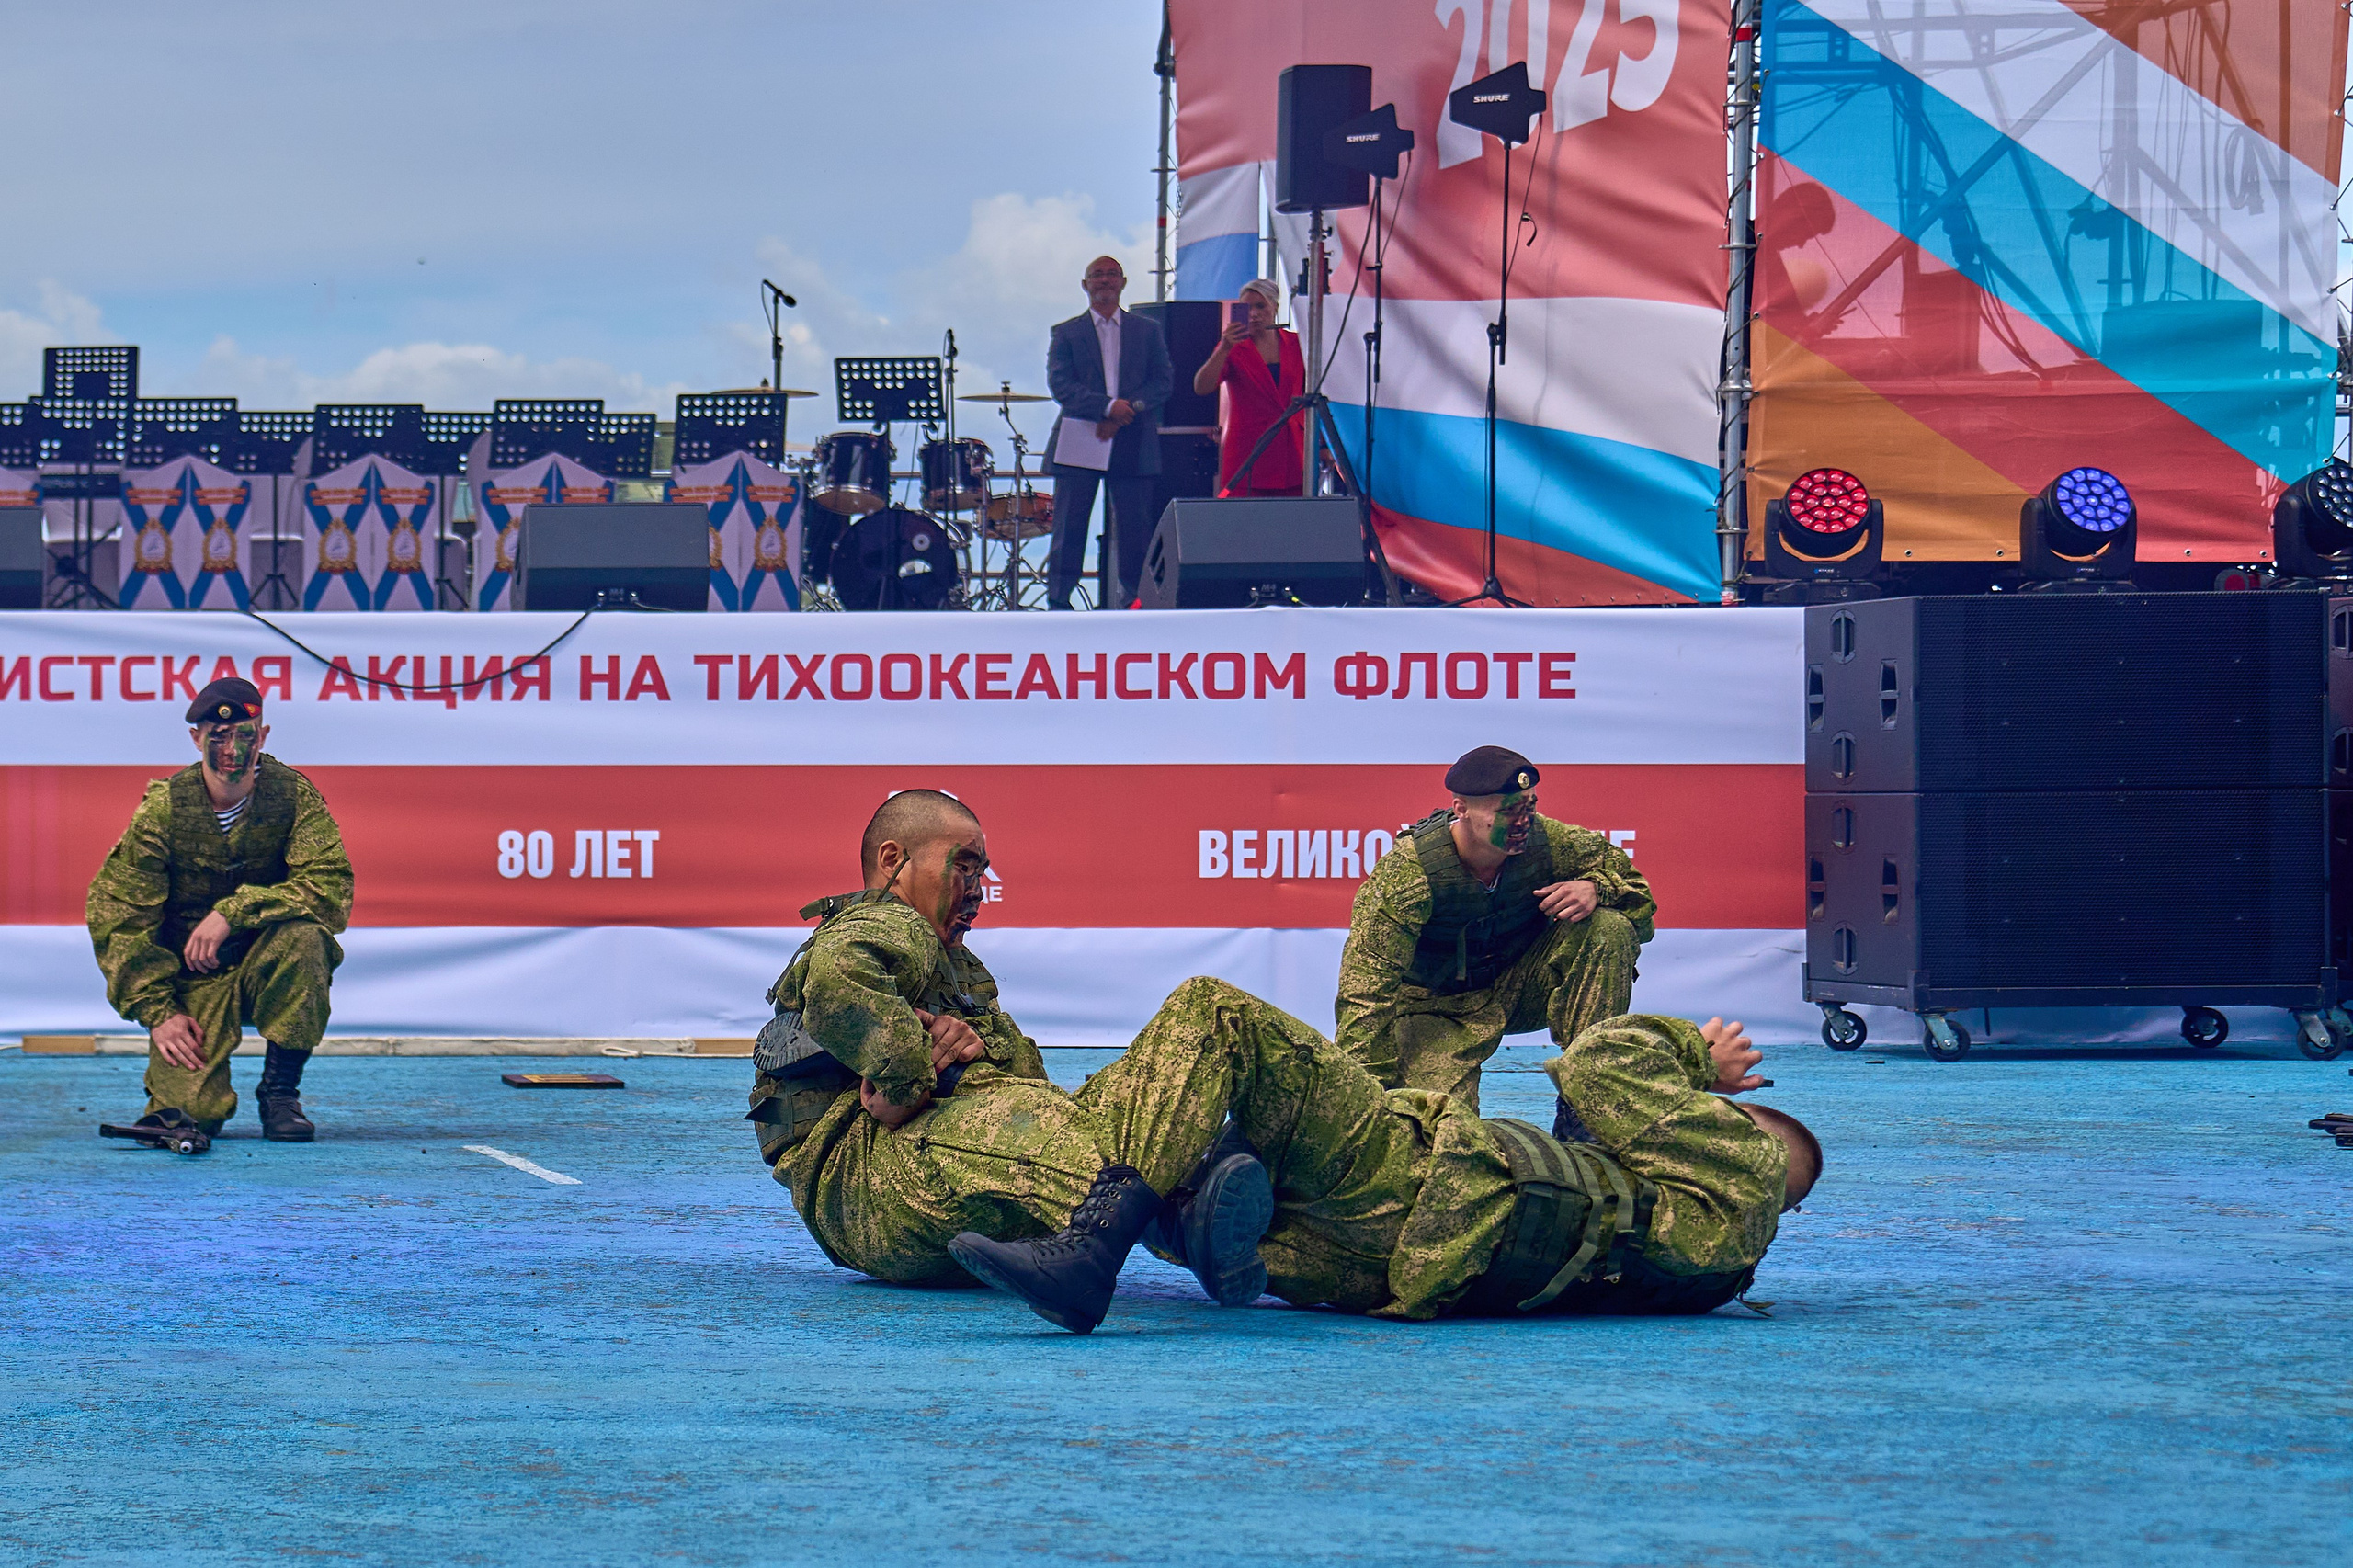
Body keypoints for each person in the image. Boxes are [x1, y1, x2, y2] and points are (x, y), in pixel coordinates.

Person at [952, 1004, 1819, 1333]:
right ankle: (1183, 1217)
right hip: (1390, 1277)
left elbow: (1598, 1063)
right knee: (1202, 1181)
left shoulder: (1741, 1169)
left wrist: (1693, 1057)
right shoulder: (1690, 1260)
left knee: (1215, 1019)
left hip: (1412, 1184)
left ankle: (1090, 1254)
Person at [752, 790, 1276, 1321]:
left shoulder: (958, 966)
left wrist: (973, 1050)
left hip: (955, 1211)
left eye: (981, 874)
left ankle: (1204, 1217)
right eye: (963, 866)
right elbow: (842, 981)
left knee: (1137, 1075)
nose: (977, 892)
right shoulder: (884, 922)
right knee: (1002, 1107)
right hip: (863, 1184)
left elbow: (1031, 1084)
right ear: (894, 860)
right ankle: (1181, 1211)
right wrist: (907, 1084)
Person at [85, 677, 354, 1142]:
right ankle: (189, 1082)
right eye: (219, 736)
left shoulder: (292, 796)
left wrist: (235, 910)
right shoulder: (164, 811)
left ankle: (280, 1094)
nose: (232, 748)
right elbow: (119, 914)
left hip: (263, 964)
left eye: (244, 734)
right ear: (196, 739)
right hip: (191, 981)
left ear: (263, 736)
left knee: (307, 940)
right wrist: (159, 1012)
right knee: (190, 1115)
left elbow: (329, 886)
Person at [1335, 744, 1655, 1115]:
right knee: (1437, 1125)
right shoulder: (1410, 874)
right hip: (1436, 1008)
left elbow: (1641, 905)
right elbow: (1365, 990)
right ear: (1462, 810)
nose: (1522, 822)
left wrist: (1596, 888)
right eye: (1506, 811)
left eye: (1528, 807)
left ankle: (1588, 1104)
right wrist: (1365, 1095)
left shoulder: (1551, 842)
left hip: (1519, 989)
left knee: (1608, 926)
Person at [1043, 255, 1173, 609]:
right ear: (1085, 285)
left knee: (1135, 528)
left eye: (1111, 274)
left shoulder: (1147, 330)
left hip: (1133, 436)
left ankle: (1136, 600)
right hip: (1081, 435)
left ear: (1123, 283)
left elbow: (1162, 382)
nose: (1104, 280)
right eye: (1096, 275)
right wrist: (1105, 407)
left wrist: (1127, 411)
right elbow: (1060, 384)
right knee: (1070, 526)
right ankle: (1058, 602)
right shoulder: (1066, 333)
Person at [1192, 278, 1306, 496]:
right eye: (1246, 308)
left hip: (1292, 452)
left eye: (1260, 306)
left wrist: (1321, 446)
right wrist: (1224, 348)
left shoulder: (1296, 344)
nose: (1253, 313)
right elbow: (1201, 387)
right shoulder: (1233, 348)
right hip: (1249, 453)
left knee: (1293, 522)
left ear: (1275, 307)